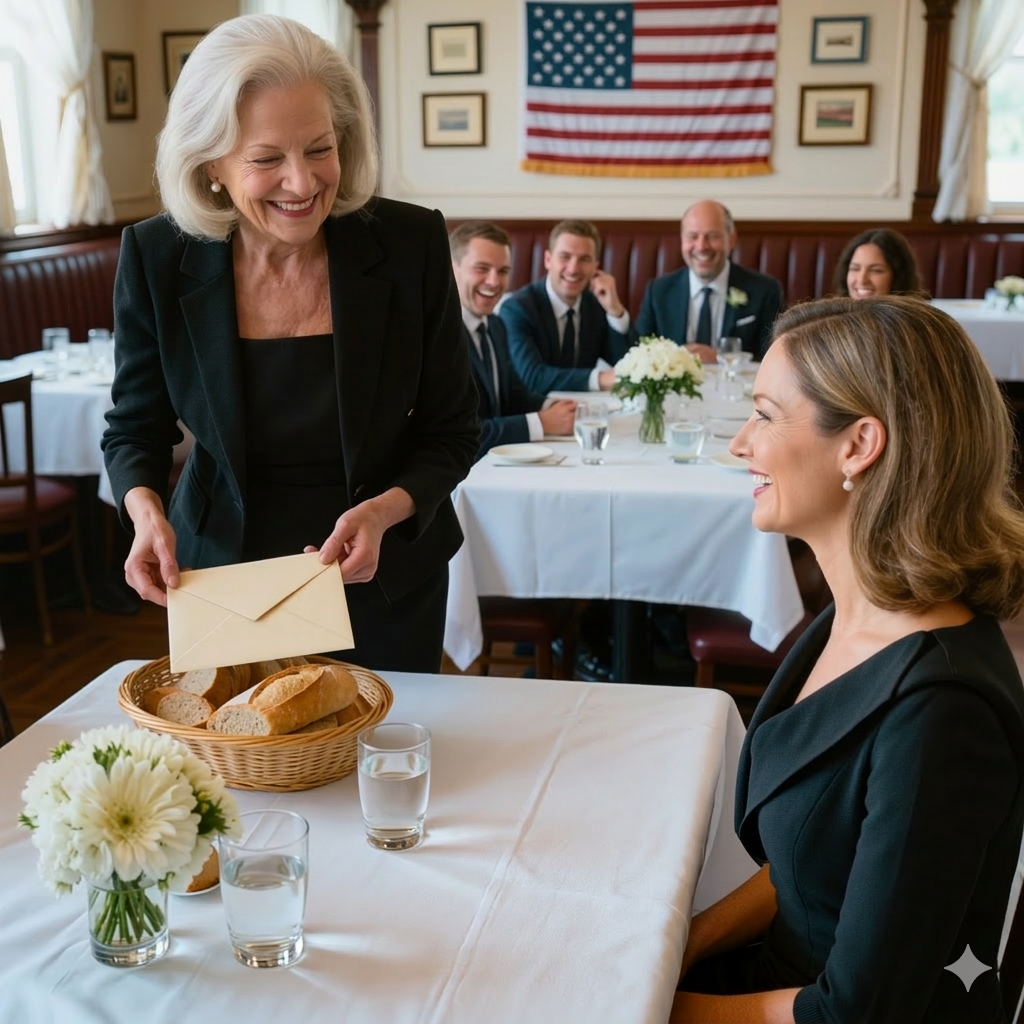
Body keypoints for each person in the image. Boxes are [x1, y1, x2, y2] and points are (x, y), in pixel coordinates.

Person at [672, 296, 1024, 1024]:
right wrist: (680, 942)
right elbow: (817, 854)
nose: (741, 443)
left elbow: (854, 1011)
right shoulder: (859, 611)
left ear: (859, 445)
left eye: (765, 415)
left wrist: (646, 1004)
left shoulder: (940, 713)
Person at [101, 14, 479, 673]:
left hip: (382, 572)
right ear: (211, 162)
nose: (303, 183)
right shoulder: (157, 257)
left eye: (319, 148)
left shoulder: (409, 244)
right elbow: (134, 429)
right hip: (225, 576)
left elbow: (453, 429)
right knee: (239, 769)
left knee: (376, 765)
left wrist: (387, 511)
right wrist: (145, 514)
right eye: (267, 159)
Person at [449, 221, 576, 460]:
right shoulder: (438, 338)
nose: (494, 281)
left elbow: (512, 395)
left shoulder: (495, 325)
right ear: (452, 268)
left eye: (503, 271)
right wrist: (540, 423)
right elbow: (459, 432)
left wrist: (554, 406)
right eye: (482, 268)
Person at [637, 200, 784, 362]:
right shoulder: (658, 292)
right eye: (692, 236)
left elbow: (775, 360)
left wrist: (721, 359)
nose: (701, 246)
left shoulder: (765, 291)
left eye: (713, 236)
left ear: (732, 240)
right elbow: (642, 354)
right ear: (682, 240)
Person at [500, 219, 633, 394]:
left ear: (595, 266)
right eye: (565, 257)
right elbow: (532, 377)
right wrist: (599, 379)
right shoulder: (518, 308)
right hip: (534, 413)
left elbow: (630, 364)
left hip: (587, 412)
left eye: (584, 259)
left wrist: (615, 310)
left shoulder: (596, 304)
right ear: (548, 260)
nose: (573, 269)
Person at [833, 226, 923, 299]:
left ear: (899, 276)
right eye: (855, 269)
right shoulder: (831, 319)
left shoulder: (912, 321)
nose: (862, 280)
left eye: (875, 270)